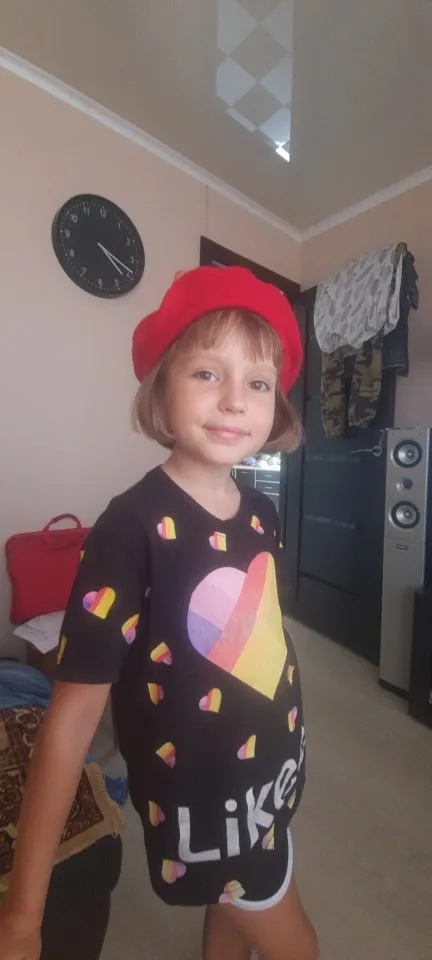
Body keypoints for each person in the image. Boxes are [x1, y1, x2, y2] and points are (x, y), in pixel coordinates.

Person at [0, 266, 319, 960]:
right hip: (211, 806)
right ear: (162, 388)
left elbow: (263, 642)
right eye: (207, 373)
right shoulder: (130, 528)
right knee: (297, 946)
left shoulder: (262, 513)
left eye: (258, 383)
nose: (234, 400)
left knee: (230, 913)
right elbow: (72, 720)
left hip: (270, 773)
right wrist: (23, 916)